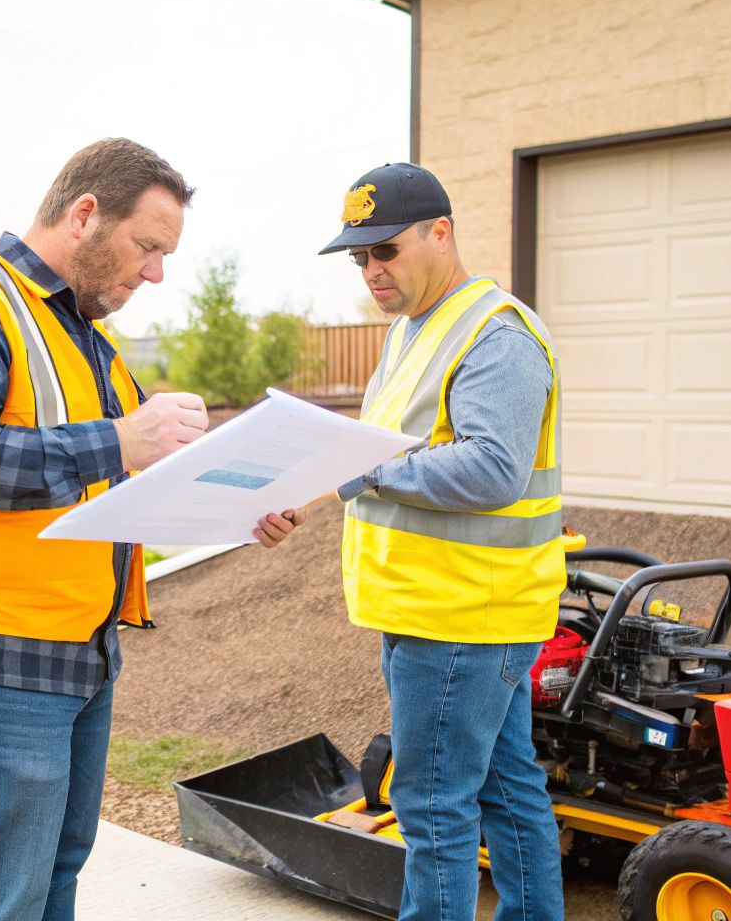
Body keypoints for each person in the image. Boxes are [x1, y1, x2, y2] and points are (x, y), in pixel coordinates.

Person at [0, 138, 207, 921]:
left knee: (54, 876)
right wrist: (123, 441)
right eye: (147, 246)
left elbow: (116, 478)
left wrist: (230, 498)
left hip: (78, 650)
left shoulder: (89, 342)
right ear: (85, 214)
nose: (155, 272)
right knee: (3, 898)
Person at [257, 163, 566, 921]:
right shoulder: (408, 334)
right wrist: (309, 484)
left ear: (441, 234)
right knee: (501, 783)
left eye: (385, 250)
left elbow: (493, 469)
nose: (371, 270)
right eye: (359, 257)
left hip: (463, 612)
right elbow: (378, 458)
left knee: (432, 803)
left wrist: (358, 470)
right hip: (433, 606)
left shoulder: (496, 334)